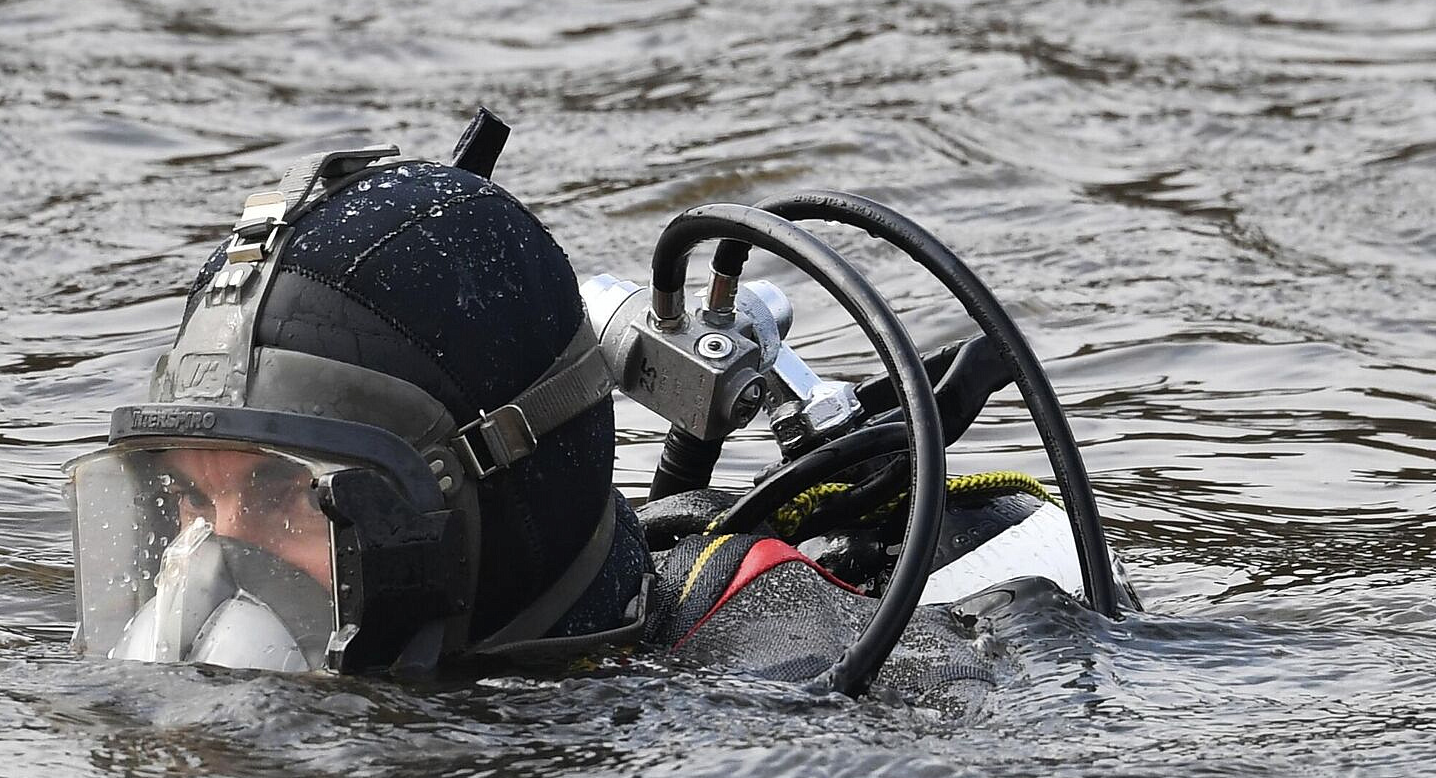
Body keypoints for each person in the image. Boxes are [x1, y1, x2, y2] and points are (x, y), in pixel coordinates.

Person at [63, 113, 1121, 690]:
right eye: (190, 507)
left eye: (283, 499)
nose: (206, 567)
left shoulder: (788, 689)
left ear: (469, 503)